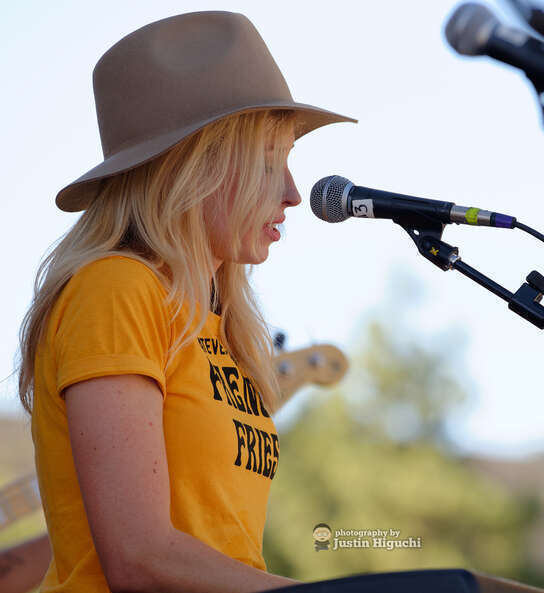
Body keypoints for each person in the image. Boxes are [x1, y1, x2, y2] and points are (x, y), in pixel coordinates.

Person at [15, 11, 354, 593]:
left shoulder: (218, 323)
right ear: (194, 166)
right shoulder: (116, 288)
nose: (294, 193)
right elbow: (141, 558)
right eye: (267, 160)